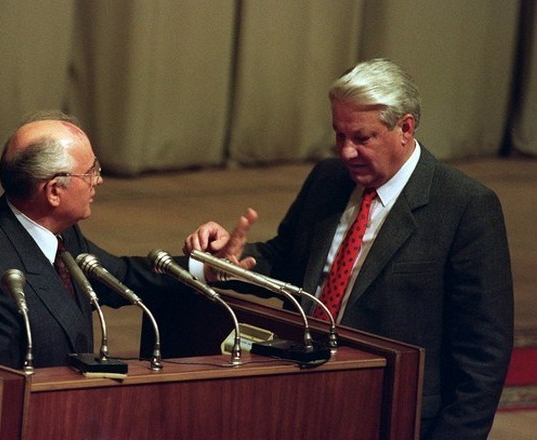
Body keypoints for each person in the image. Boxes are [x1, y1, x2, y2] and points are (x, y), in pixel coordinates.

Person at [183, 59, 514, 439]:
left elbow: (484, 354)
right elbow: (288, 260)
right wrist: (223, 264)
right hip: (300, 393)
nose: (346, 152)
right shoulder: (328, 179)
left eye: (362, 138)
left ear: (405, 128)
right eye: (339, 135)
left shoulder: (464, 206)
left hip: (391, 410)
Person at [0, 111, 179, 369]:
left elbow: (122, 277)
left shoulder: (63, 233)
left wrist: (203, 267)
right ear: (53, 191)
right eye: (90, 172)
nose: (98, 180)